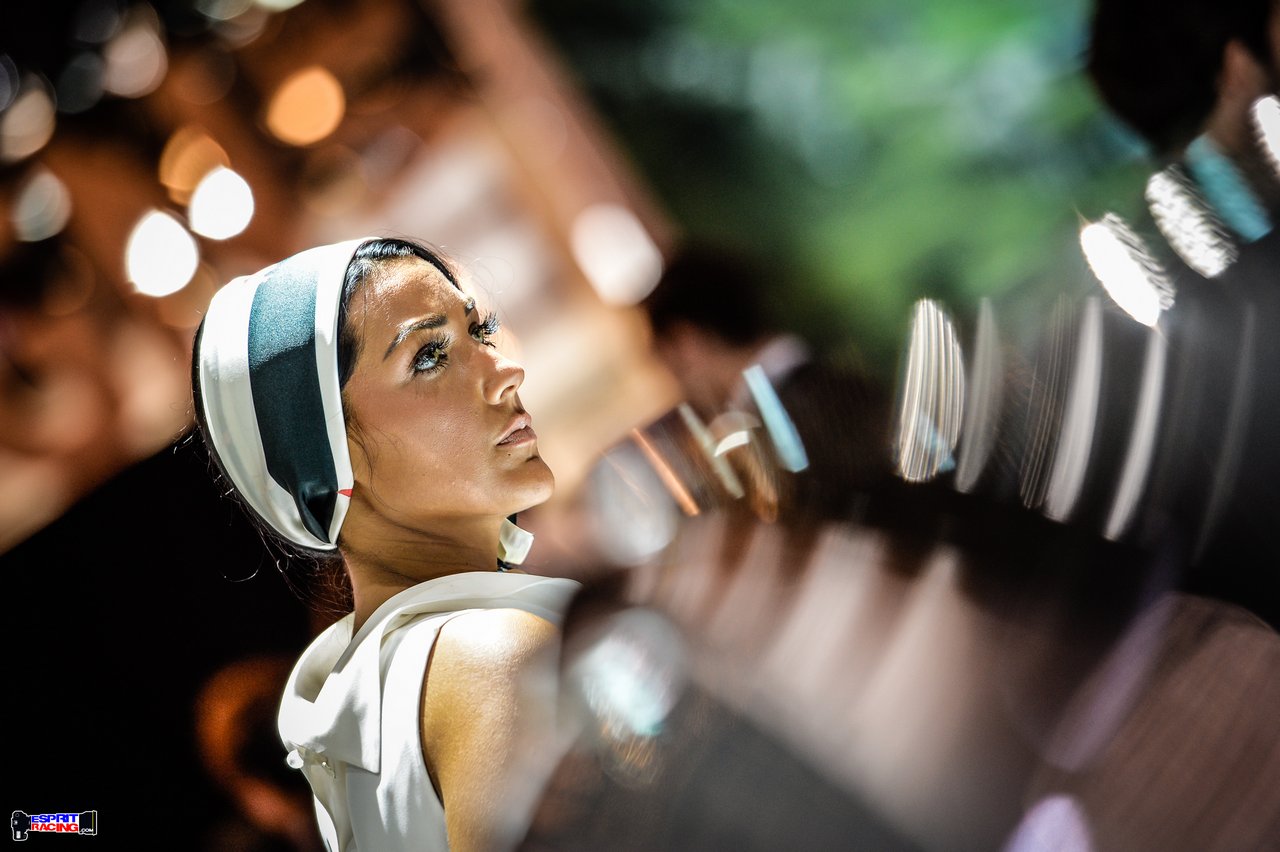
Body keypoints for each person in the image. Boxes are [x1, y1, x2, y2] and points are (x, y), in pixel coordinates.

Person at [191, 237, 580, 852]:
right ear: (325, 458)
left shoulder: (374, 707)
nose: (506, 370)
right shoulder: (489, 655)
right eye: (429, 356)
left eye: (479, 331)